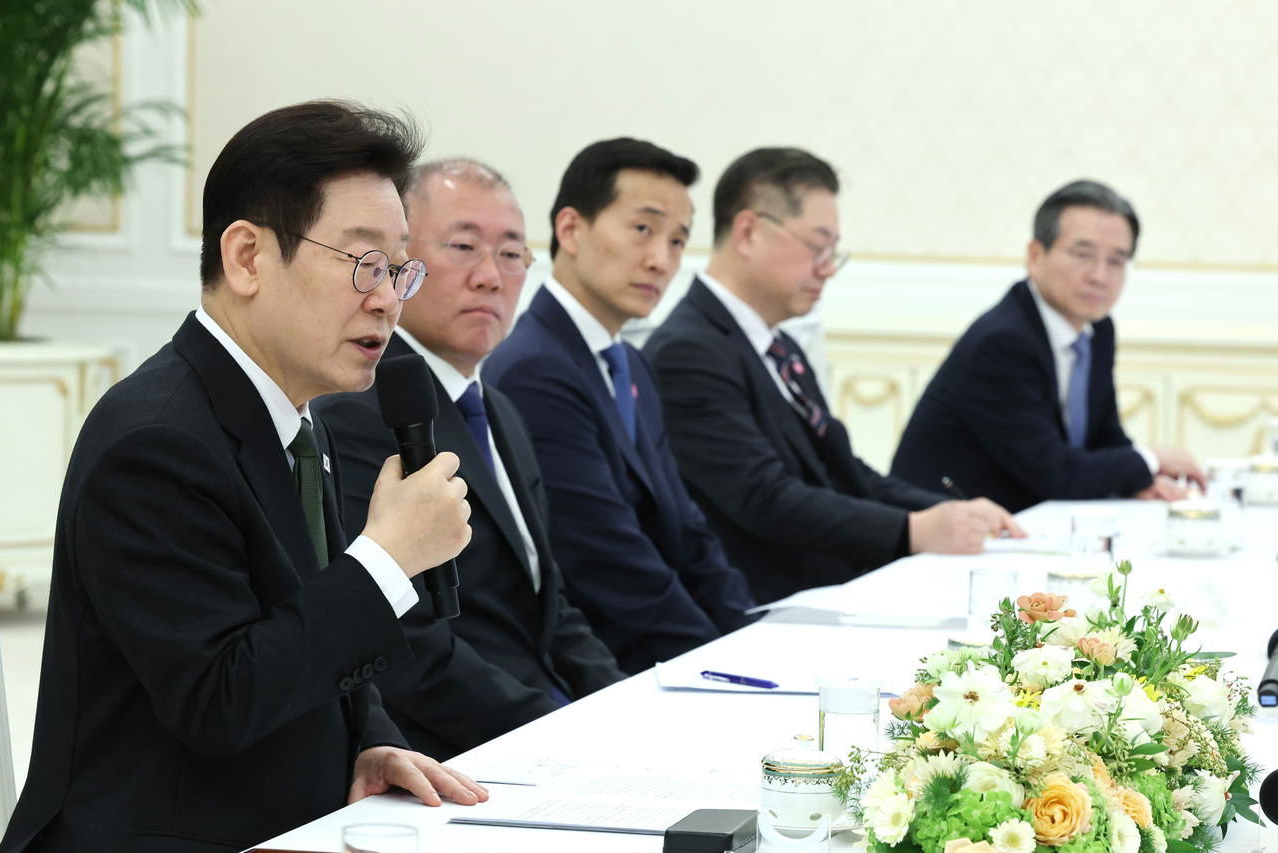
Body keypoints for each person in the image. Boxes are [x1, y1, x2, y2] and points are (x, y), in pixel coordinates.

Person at [0, 102, 490, 853]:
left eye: (398, 269)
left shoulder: (299, 419)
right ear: (248, 258)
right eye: (363, 262)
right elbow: (218, 699)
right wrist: (388, 559)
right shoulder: (156, 441)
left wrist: (368, 738)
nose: (388, 298)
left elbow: (300, 624)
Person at [314, 159, 626, 760]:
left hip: (546, 721)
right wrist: (560, 733)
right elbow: (403, 639)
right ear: (400, 264)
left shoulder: (498, 407)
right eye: (463, 247)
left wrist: (621, 706)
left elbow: (548, 603)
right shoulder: (358, 409)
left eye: (511, 255)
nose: (490, 277)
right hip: (456, 751)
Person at [644, 148, 1024, 605]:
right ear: (748, 232)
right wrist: (913, 530)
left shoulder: (780, 346)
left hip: (825, 585)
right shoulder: (688, 351)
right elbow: (765, 498)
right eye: (817, 246)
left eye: (833, 251)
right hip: (758, 603)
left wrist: (945, 511)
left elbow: (845, 471)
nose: (827, 267)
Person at [482, 138, 756, 674]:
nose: (662, 260)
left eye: (677, 241)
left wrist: (750, 635)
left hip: (659, 647)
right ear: (570, 230)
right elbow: (605, 556)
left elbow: (687, 527)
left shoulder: (630, 362)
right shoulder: (534, 369)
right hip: (599, 662)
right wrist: (719, 662)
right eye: (642, 229)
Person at [890, 180, 1205, 513]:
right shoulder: (1002, 342)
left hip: (1028, 518)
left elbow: (1105, 437)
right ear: (1035, 256)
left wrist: (1141, 481)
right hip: (948, 526)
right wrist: (1150, 460)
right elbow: (1055, 473)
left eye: (1116, 261)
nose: (1100, 276)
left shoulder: (1098, 329)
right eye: (1083, 255)